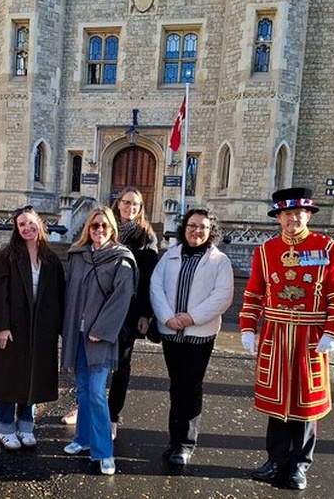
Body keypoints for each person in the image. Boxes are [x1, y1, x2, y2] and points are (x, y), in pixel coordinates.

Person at [239, 187, 334, 491]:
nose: (293, 219)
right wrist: (248, 327)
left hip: (310, 336)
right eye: (287, 214)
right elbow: (254, 292)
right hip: (275, 335)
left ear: (308, 215)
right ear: (279, 218)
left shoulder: (327, 248)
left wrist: (333, 331)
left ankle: (299, 466)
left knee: (305, 405)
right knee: (277, 404)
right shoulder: (265, 251)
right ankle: (275, 460)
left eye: (298, 213)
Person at [61, 188, 159, 436]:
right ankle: (82, 407)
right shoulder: (105, 228)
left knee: (121, 365)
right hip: (93, 310)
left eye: (135, 204)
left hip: (126, 312)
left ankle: (112, 415)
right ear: (118, 204)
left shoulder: (146, 237)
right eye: (126, 202)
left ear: (141, 207)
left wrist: (146, 314)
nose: (130, 208)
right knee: (87, 362)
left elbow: (149, 280)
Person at [149, 208, 233, 466]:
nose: (197, 231)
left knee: (192, 386)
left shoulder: (219, 261)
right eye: (192, 225)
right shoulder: (170, 256)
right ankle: (174, 441)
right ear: (184, 227)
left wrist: (190, 317)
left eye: (203, 227)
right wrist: (167, 317)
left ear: (211, 232)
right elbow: (156, 287)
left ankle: (185, 444)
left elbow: (222, 296)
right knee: (176, 386)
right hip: (172, 333)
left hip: (199, 334)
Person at [60, 206, 136, 476]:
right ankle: (82, 439)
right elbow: (70, 292)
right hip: (77, 334)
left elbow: (122, 298)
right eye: (94, 226)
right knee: (81, 389)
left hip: (100, 337)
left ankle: (104, 451)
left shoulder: (121, 260)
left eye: (104, 226)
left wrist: (101, 330)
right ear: (87, 229)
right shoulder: (78, 255)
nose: (99, 230)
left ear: (112, 228)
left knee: (95, 392)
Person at [0, 206, 65, 450]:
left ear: (40, 223)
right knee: (9, 378)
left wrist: (58, 328)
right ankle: (6, 426)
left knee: (33, 377)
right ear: (17, 229)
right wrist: (1, 327)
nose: (27, 228)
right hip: (13, 327)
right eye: (21, 225)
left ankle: (26, 425)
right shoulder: (7, 256)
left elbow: (60, 295)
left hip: (40, 330)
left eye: (31, 222)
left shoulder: (51, 259)